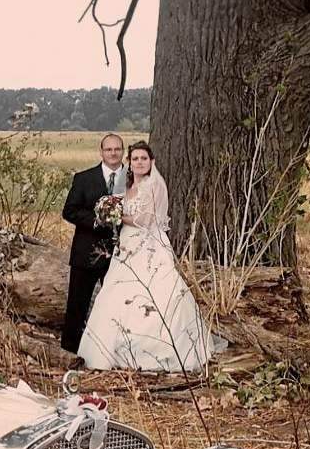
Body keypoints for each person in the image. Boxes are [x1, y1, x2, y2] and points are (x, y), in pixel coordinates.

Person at [77, 142, 216, 372]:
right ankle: (113, 349)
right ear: (129, 163)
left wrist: (118, 215)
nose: (139, 162)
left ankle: (155, 353)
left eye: (144, 158)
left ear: (152, 162)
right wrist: (111, 210)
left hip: (148, 246)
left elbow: (146, 220)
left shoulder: (154, 185)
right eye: (135, 159)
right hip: (126, 245)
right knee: (118, 292)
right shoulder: (130, 184)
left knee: (154, 292)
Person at [59, 134, 127, 353]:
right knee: (78, 304)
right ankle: (70, 350)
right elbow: (69, 211)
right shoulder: (84, 178)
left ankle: (113, 349)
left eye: (117, 149)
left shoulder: (134, 178)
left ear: (123, 151)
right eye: (109, 149)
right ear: (101, 152)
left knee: (119, 305)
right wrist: (97, 221)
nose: (113, 153)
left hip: (122, 253)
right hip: (86, 252)